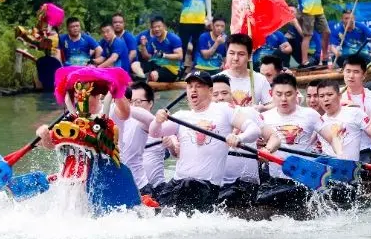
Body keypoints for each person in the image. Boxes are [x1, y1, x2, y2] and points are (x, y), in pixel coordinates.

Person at [149, 71, 261, 213]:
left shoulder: (224, 110)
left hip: (206, 186)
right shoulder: (182, 116)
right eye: (190, 86)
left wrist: (239, 138)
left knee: (188, 187)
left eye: (198, 86)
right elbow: (154, 132)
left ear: (210, 91)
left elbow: (254, 129)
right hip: (177, 183)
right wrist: (157, 120)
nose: (193, 90)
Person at [210, 74, 276, 209]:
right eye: (215, 94)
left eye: (224, 93)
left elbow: (274, 138)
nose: (220, 98)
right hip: (214, 184)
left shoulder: (249, 113)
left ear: (232, 95)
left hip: (245, 184)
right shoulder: (203, 119)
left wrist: (267, 150)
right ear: (209, 97)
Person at [316, 79, 371, 166]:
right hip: (328, 170)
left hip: (351, 170)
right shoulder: (318, 121)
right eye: (321, 96)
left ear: (339, 96)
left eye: (330, 95)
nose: (326, 99)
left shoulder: (355, 113)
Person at [117, 81, 170, 196]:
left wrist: (171, 144)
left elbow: (176, 151)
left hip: (156, 189)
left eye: (139, 101)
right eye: (131, 101)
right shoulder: (120, 125)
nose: (134, 105)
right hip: (131, 185)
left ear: (150, 103)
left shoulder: (162, 126)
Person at [177, 0, 213, 74]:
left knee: (198, 44)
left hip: (200, 18)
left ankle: (195, 68)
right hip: (186, 18)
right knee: (183, 44)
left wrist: (209, 15)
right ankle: (180, 68)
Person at [224, 33, 273, 110]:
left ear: (249, 56)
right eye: (231, 53)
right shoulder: (216, 79)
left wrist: (263, 108)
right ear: (226, 53)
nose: (235, 58)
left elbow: (272, 104)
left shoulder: (260, 79)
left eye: (241, 54)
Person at [137, 17, 184, 83]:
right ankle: (143, 78)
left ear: (164, 26)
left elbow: (180, 56)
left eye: (159, 26)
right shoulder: (153, 40)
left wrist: (163, 55)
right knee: (136, 65)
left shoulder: (173, 38)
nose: (156, 29)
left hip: (172, 69)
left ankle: (144, 79)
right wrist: (143, 46)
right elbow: (147, 57)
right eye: (154, 27)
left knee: (153, 74)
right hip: (157, 65)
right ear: (151, 28)